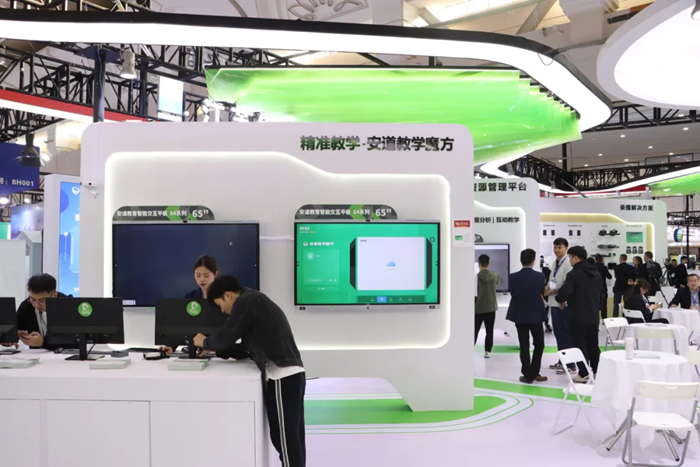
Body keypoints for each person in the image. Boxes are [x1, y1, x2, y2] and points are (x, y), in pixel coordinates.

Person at [193, 275, 306, 467]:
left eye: (220, 304)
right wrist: (214, 351)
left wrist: (204, 341)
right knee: (292, 440)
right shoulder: (254, 302)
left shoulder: (246, 302)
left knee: (286, 442)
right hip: (289, 375)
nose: (223, 311)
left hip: (282, 376)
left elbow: (225, 336)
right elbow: (244, 349)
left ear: (228, 295)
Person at [555, 246, 601, 383]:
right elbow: (602, 295)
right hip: (593, 315)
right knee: (593, 344)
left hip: (577, 315)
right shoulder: (596, 274)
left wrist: (560, 299)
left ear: (575, 258)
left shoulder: (574, 274)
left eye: (570, 257)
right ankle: (597, 371)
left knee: (579, 345)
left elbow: (564, 292)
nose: (569, 260)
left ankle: (583, 373)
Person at [506, 249, 547, 384]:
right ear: (533, 261)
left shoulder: (513, 277)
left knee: (524, 345)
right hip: (536, 315)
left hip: (520, 316)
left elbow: (512, 293)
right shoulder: (540, 277)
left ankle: (527, 374)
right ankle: (534, 372)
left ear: (520, 260)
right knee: (539, 344)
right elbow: (541, 293)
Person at [6, 274, 73, 350]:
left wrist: (43, 342)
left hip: (63, 355)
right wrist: (10, 338)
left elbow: (73, 341)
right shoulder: (26, 305)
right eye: (33, 299)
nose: (36, 305)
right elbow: (14, 328)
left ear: (54, 295)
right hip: (35, 354)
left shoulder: (68, 306)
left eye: (42, 301)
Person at [544, 238, 576, 375]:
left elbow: (567, 284)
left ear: (566, 248)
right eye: (555, 247)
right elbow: (553, 279)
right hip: (554, 303)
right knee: (558, 333)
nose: (556, 250)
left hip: (563, 304)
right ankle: (562, 360)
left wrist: (555, 290)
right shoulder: (554, 263)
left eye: (559, 247)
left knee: (565, 334)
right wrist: (548, 287)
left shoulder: (568, 263)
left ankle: (570, 364)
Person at [474, 254, 502, 358]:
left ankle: (470, 348)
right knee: (489, 331)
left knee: (475, 330)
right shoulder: (494, 275)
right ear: (488, 264)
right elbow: (500, 281)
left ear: (479, 264)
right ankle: (488, 351)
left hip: (478, 308)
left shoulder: (476, 277)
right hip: (491, 308)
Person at [594, 254, 612, 320]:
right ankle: (604, 319)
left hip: (594, 288)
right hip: (602, 287)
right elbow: (609, 276)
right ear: (602, 259)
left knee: (594, 304)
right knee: (604, 304)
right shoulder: (603, 267)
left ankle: (595, 319)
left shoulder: (592, 266)